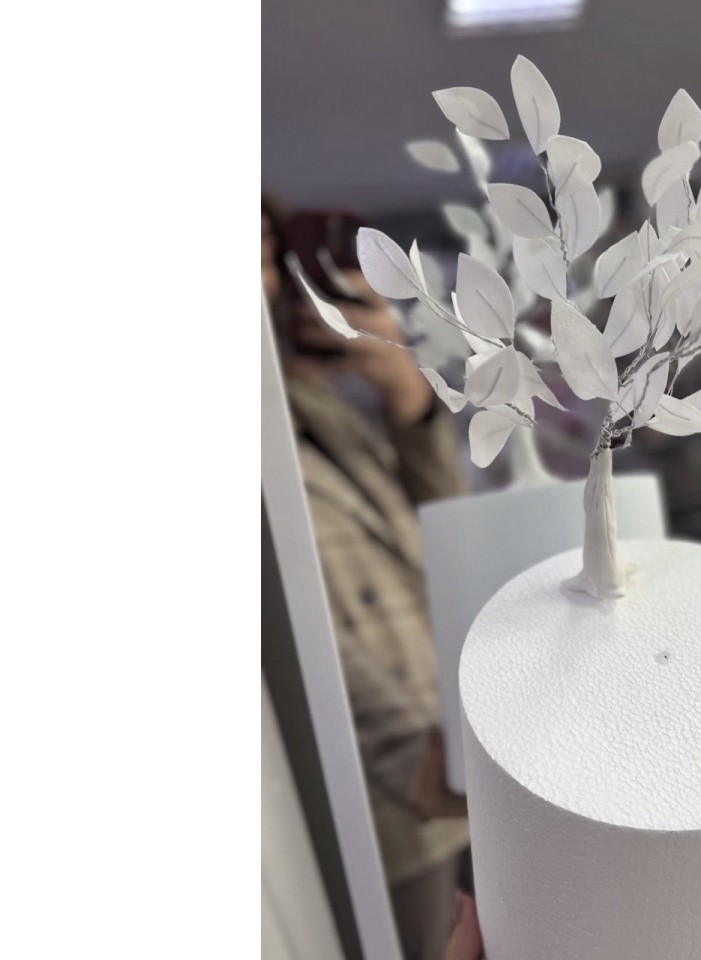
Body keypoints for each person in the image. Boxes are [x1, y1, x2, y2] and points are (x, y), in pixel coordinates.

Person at [263, 197, 471, 960]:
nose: (264, 282)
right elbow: (287, 627)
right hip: (388, 795)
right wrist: (414, 759)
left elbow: (444, 540)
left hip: (445, 757)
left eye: (267, 256)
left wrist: (408, 400)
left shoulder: (314, 409)